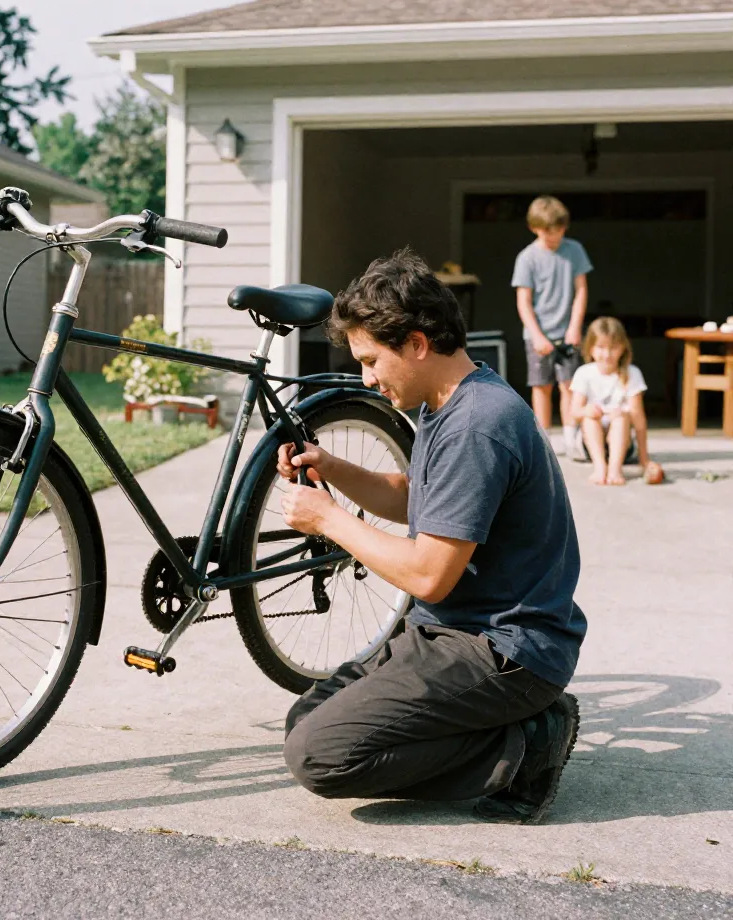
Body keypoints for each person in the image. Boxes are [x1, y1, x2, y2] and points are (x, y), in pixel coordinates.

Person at [279, 249, 585, 824]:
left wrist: (327, 520)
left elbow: (429, 575)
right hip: (454, 633)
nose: (364, 377)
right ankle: (507, 731)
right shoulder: (452, 403)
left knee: (319, 756)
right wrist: (333, 467)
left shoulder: (476, 425)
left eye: (371, 360)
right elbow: (413, 496)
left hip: (504, 648)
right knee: (306, 721)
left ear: (416, 343)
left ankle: (525, 746)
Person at [511, 196, 593, 456]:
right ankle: (544, 439)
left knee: (569, 385)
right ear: (535, 228)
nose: (555, 234)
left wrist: (574, 327)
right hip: (538, 334)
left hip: (567, 331)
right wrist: (537, 336)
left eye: (559, 229)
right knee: (541, 386)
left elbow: (581, 291)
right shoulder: (527, 258)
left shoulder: (574, 250)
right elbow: (523, 302)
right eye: (548, 230)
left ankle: (571, 437)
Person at [570, 316, 661, 486]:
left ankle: (614, 469)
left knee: (621, 416)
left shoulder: (632, 374)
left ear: (623, 348)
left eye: (613, 348)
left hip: (623, 448)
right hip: (590, 447)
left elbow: (639, 420)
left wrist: (644, 460)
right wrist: (586, 411)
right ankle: (599, 467)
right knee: (590, 418)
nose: (607, 354)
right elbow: (574, 413)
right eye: (601, 347)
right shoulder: (584, 373)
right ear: (590, 348)